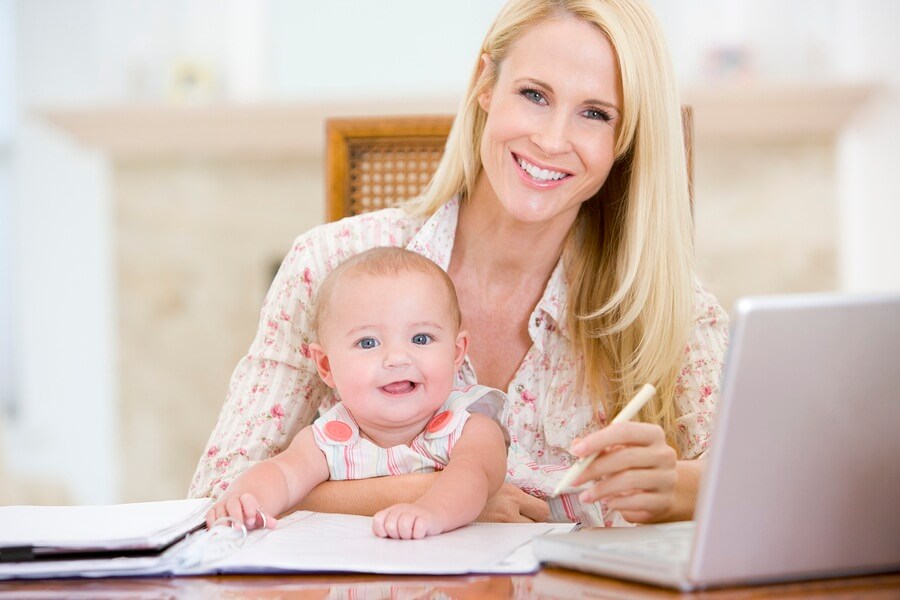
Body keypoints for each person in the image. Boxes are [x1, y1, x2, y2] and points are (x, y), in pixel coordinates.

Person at [190, 0, 728, 528]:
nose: (551, 139)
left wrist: (676, 490)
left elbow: (769, 488)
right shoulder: (326, 263)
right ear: (485, 86)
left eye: (595, 113)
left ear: (625, 138)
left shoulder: (664, 305)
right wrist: (433, 493)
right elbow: (217, 493)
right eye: (534, 94)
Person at [205, 247, 508, 539]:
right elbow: (282, 475)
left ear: (456, 353)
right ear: (326, 366)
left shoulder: (469, 429)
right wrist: (246, 501)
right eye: (368, 343)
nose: (397, 358)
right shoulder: (329, 441)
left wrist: (431, 512)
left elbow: (474, 477)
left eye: (421, 337)